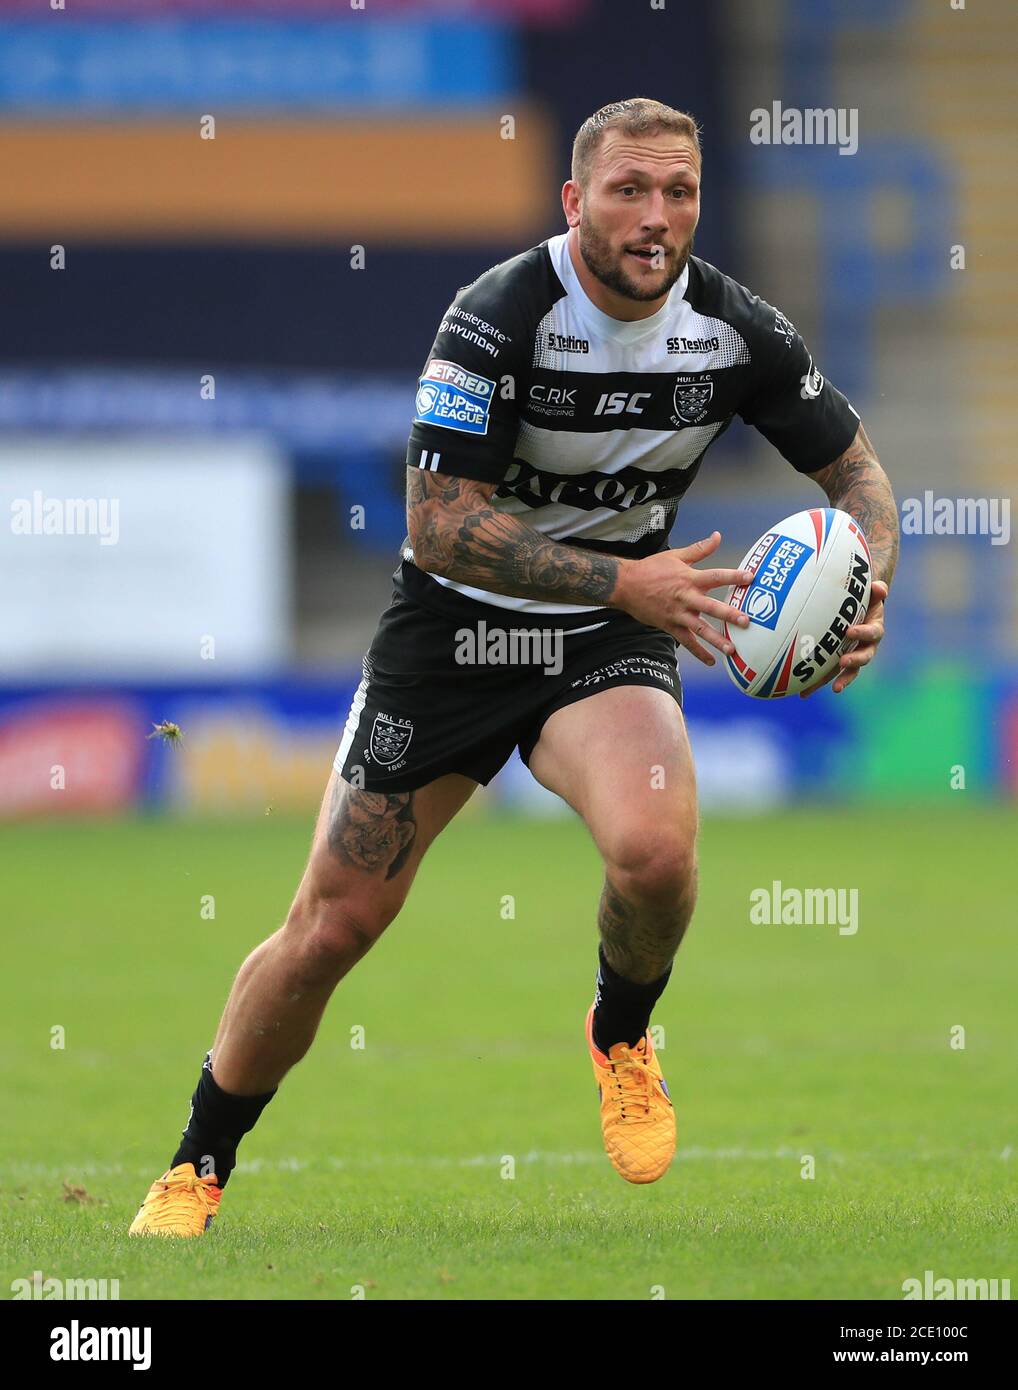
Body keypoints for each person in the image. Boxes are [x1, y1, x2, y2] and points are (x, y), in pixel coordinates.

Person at [130, 97, 897, 1236]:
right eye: (629, 190)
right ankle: (196, 1165)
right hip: (452, 633)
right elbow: (438, 525)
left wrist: (864, 582)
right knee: (332, 927)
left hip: (607, 635)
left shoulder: (736, 332)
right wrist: (625, 581)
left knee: (654, 855)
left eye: (678, 190)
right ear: (573, 201)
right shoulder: (494, 319)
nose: (656, 216)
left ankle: (622, 1032)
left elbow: (860, 478)